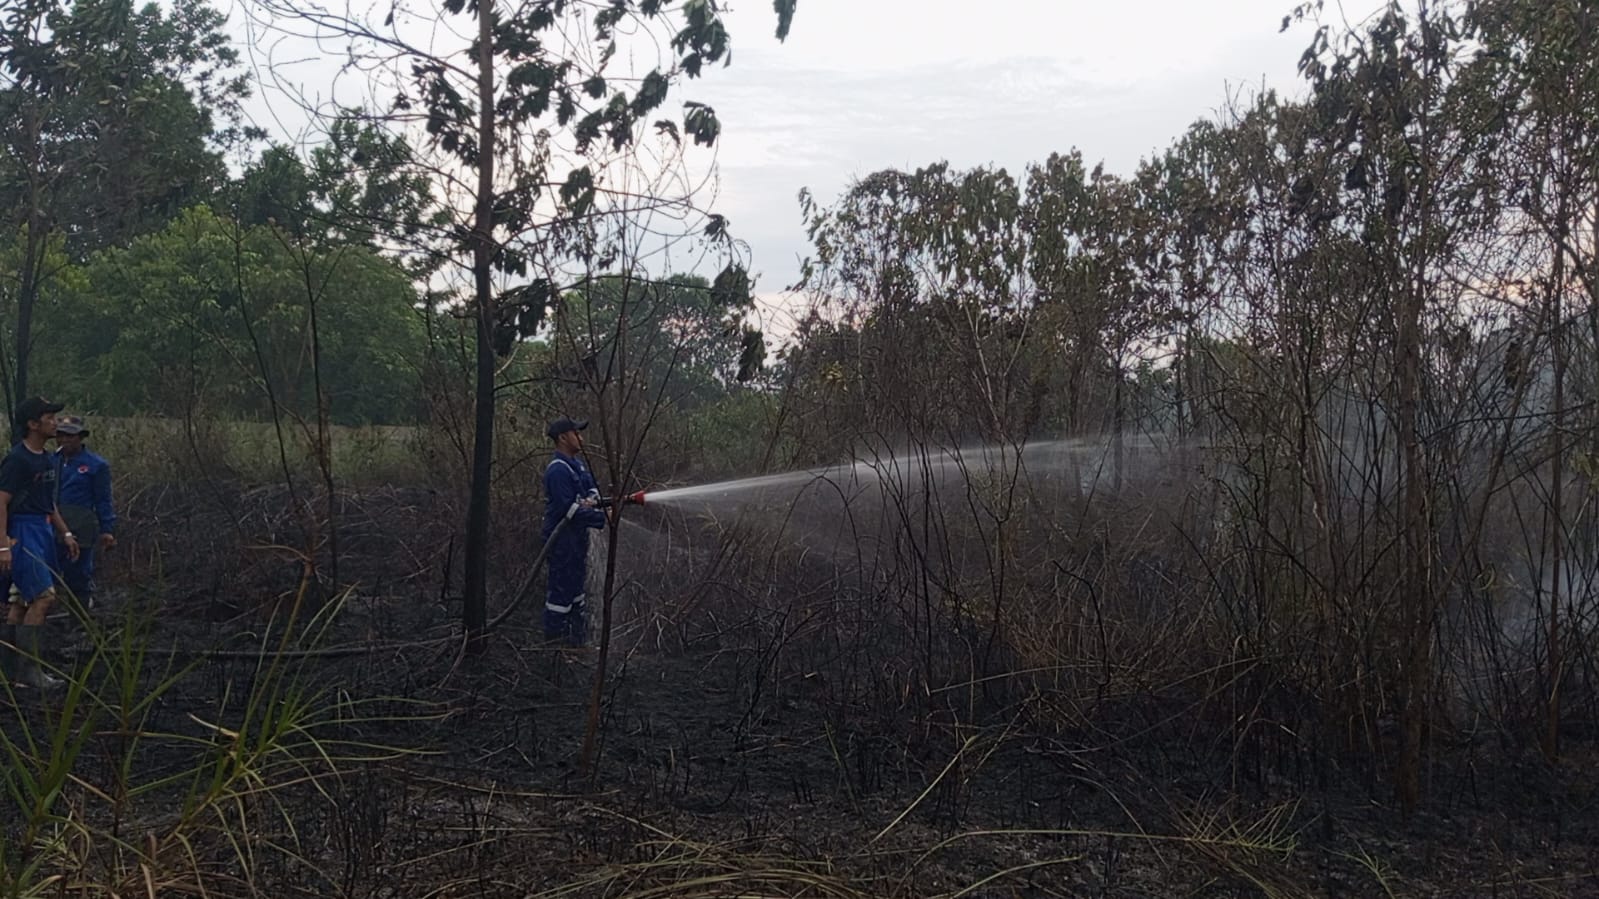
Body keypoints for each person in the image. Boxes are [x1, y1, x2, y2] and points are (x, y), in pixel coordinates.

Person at [0, 397, 81, 689]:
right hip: (22, 532)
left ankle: (9, 671)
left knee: (22, 600)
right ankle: (29, 671)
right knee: (44, 597)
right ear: (33, 424)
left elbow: (48, 504)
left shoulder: (47, 459)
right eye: (49, 417)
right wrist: (3, 546)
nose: (55, 422)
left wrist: (66, 533)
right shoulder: (17, 459)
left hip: (43, 530)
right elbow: (2, 502)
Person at [542, 416, 607, 646]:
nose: (581, 437)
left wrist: (592, 503)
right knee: (561, 593)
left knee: (577, 592)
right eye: (576, 433)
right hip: (561, 542)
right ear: (562, 438)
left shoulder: (577, 465)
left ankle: (575, 644)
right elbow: (570, 511)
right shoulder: (557, 471)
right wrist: (599, 516)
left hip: (576, 540)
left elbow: (593, 492)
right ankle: (554, 646)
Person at [54, 415, 117, 608]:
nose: (65, 440)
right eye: (62, 435)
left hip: (81, 526)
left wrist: (107, 529)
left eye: (70, 436)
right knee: (50, 572)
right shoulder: (50, 461)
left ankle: (80, 620)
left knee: (79, 574)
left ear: (80, 437)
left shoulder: (96, 465)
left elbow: (103, 499)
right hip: (52, 524)